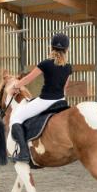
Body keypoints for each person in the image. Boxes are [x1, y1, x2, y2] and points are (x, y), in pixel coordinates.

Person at [10, 33, 72, 161]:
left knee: (16, 118)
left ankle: (24, 153)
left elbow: (28, 79)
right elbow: (65, 87)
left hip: (45, 101)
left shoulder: (45, 64)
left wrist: (16, 86)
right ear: (66, 49)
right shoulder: (68, 67)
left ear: (51, 48)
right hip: (61, 101)